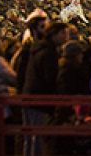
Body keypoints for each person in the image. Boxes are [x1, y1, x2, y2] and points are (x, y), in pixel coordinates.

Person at [21, 21, 69, 156]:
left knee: (30, 137)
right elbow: (50, 77)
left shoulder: (38, 49)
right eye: (62, 33)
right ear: (54, 34)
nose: (65, 37)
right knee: (38, 136)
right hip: (40, 98)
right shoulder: (49, 52)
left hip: (29, 95)